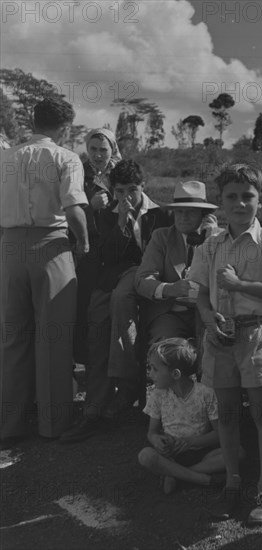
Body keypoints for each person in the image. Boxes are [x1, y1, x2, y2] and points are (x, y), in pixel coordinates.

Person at [188, 164, 262, 525]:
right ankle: (233, 481)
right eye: (231, 197)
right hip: (219, 337)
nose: (239, 203)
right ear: (220, 203)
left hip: (255, 335)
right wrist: (206, 317)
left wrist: (238, 286)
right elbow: (202, 293)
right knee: (228, 412)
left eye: (247, 196)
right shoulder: (210, 244)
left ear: (260, 200)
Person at [60, 159, 170, 443]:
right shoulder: (108, 214)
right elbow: (107, 256)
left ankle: (127, 385)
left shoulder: (160, 213)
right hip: (112, 278)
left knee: (122, 305)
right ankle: (95, 408)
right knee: (98, 322)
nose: (126, 197)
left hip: (146, 277)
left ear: (143, 187)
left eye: (132, 190)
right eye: (120, 191)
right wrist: (120, 220)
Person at [0, 98, 89, 445]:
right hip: (51, 245)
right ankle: (53, 424)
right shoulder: (66, 157)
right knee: (52, 336)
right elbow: (74, 209)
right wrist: (82, 244)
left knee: (12, 338)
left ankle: (9, 425)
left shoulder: (7, 157)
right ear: (65, 127)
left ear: (33, 121)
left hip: (9, 247)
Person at [138, 338, 226, 494]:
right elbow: (151, 432)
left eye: (155, 369)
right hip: (171, 454)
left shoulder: (205, 393)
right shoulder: (158, 395)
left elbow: (219, 434)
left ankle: (175, 474)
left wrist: (189, 442)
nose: (150, 373)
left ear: (175, 374)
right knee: (146, 456)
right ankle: (203, 479)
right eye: (149, 367)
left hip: (201, 452)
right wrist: (157, 440)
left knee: (236, 453)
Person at [135, 181, 219, 343]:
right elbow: (142, 280)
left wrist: (211, 240)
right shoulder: (162, 237)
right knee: (166, 349)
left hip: (208, 312)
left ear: (204, 215)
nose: (183, 217)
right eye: (179, 211)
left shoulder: (218, 239)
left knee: (212, 349)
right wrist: (170, 288)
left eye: (191, 212)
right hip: (170, 314)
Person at [73, 128, 121, 364]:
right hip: (87, 250)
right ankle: (82, 359)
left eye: (103, 149)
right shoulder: (77, 174)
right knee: (83, 305)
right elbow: (66, 211)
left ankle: (109, 362)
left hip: (114, 251)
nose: (98, 155)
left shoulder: (120, 176)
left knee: (110, 308)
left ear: (112, 150)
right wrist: (89, 207)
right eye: (93, 149)